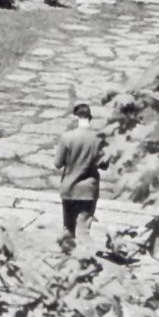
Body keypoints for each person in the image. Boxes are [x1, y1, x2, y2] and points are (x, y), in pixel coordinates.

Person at [55, 103, 107, 243]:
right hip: (88, 190)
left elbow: (58, 164)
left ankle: (67, 260)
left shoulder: (67, 137)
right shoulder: (99, 139)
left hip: (69, 188)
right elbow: (105, 165)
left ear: (75, 117)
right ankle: (86, 259)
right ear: (90, 117)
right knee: (84, 231)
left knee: (68, 229)